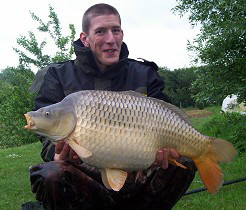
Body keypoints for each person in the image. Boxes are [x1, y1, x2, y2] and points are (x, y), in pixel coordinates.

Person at [29, 3, 196, 210]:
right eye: (101, 31)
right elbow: (46, 133)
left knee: (185, 163)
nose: (111, 39)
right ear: (85, 39)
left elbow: (168, 123)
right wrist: (57, 151)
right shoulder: (59, 76)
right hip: (83, 171)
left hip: (139, 171)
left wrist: (165, 152)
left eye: (115, 30)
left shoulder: (144, 73)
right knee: (49, 174)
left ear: (122, 33)